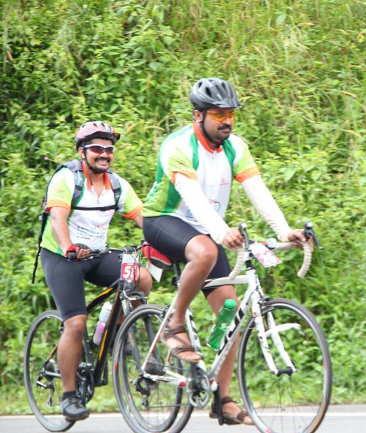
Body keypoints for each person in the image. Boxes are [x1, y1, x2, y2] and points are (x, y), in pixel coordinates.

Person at [141, 77, 308, 425]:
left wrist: (284, 230)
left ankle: (223, 401)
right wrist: (220, 232)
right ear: (198, 116)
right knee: (204, 251)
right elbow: (193, 198)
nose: (227, 121)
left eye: (230, 114)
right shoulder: (178, 146)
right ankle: (174, 323)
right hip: (164, 219)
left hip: (204, 229)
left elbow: (258, 191)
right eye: (219, 115)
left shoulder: (235, 147)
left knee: (230, 315)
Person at [40, 121, 153, 421]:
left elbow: (144, 218)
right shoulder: (67, 179)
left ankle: (112, 333)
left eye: (109, 149)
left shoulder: (117, 185)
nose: (104, 154)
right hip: (62, 257)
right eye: (97, 149)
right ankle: (69, 395)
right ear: (82, 152)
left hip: (97, 254)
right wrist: (67, 246)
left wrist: (163, 241)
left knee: (140, 277)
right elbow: (58, 219)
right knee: (76, 323)